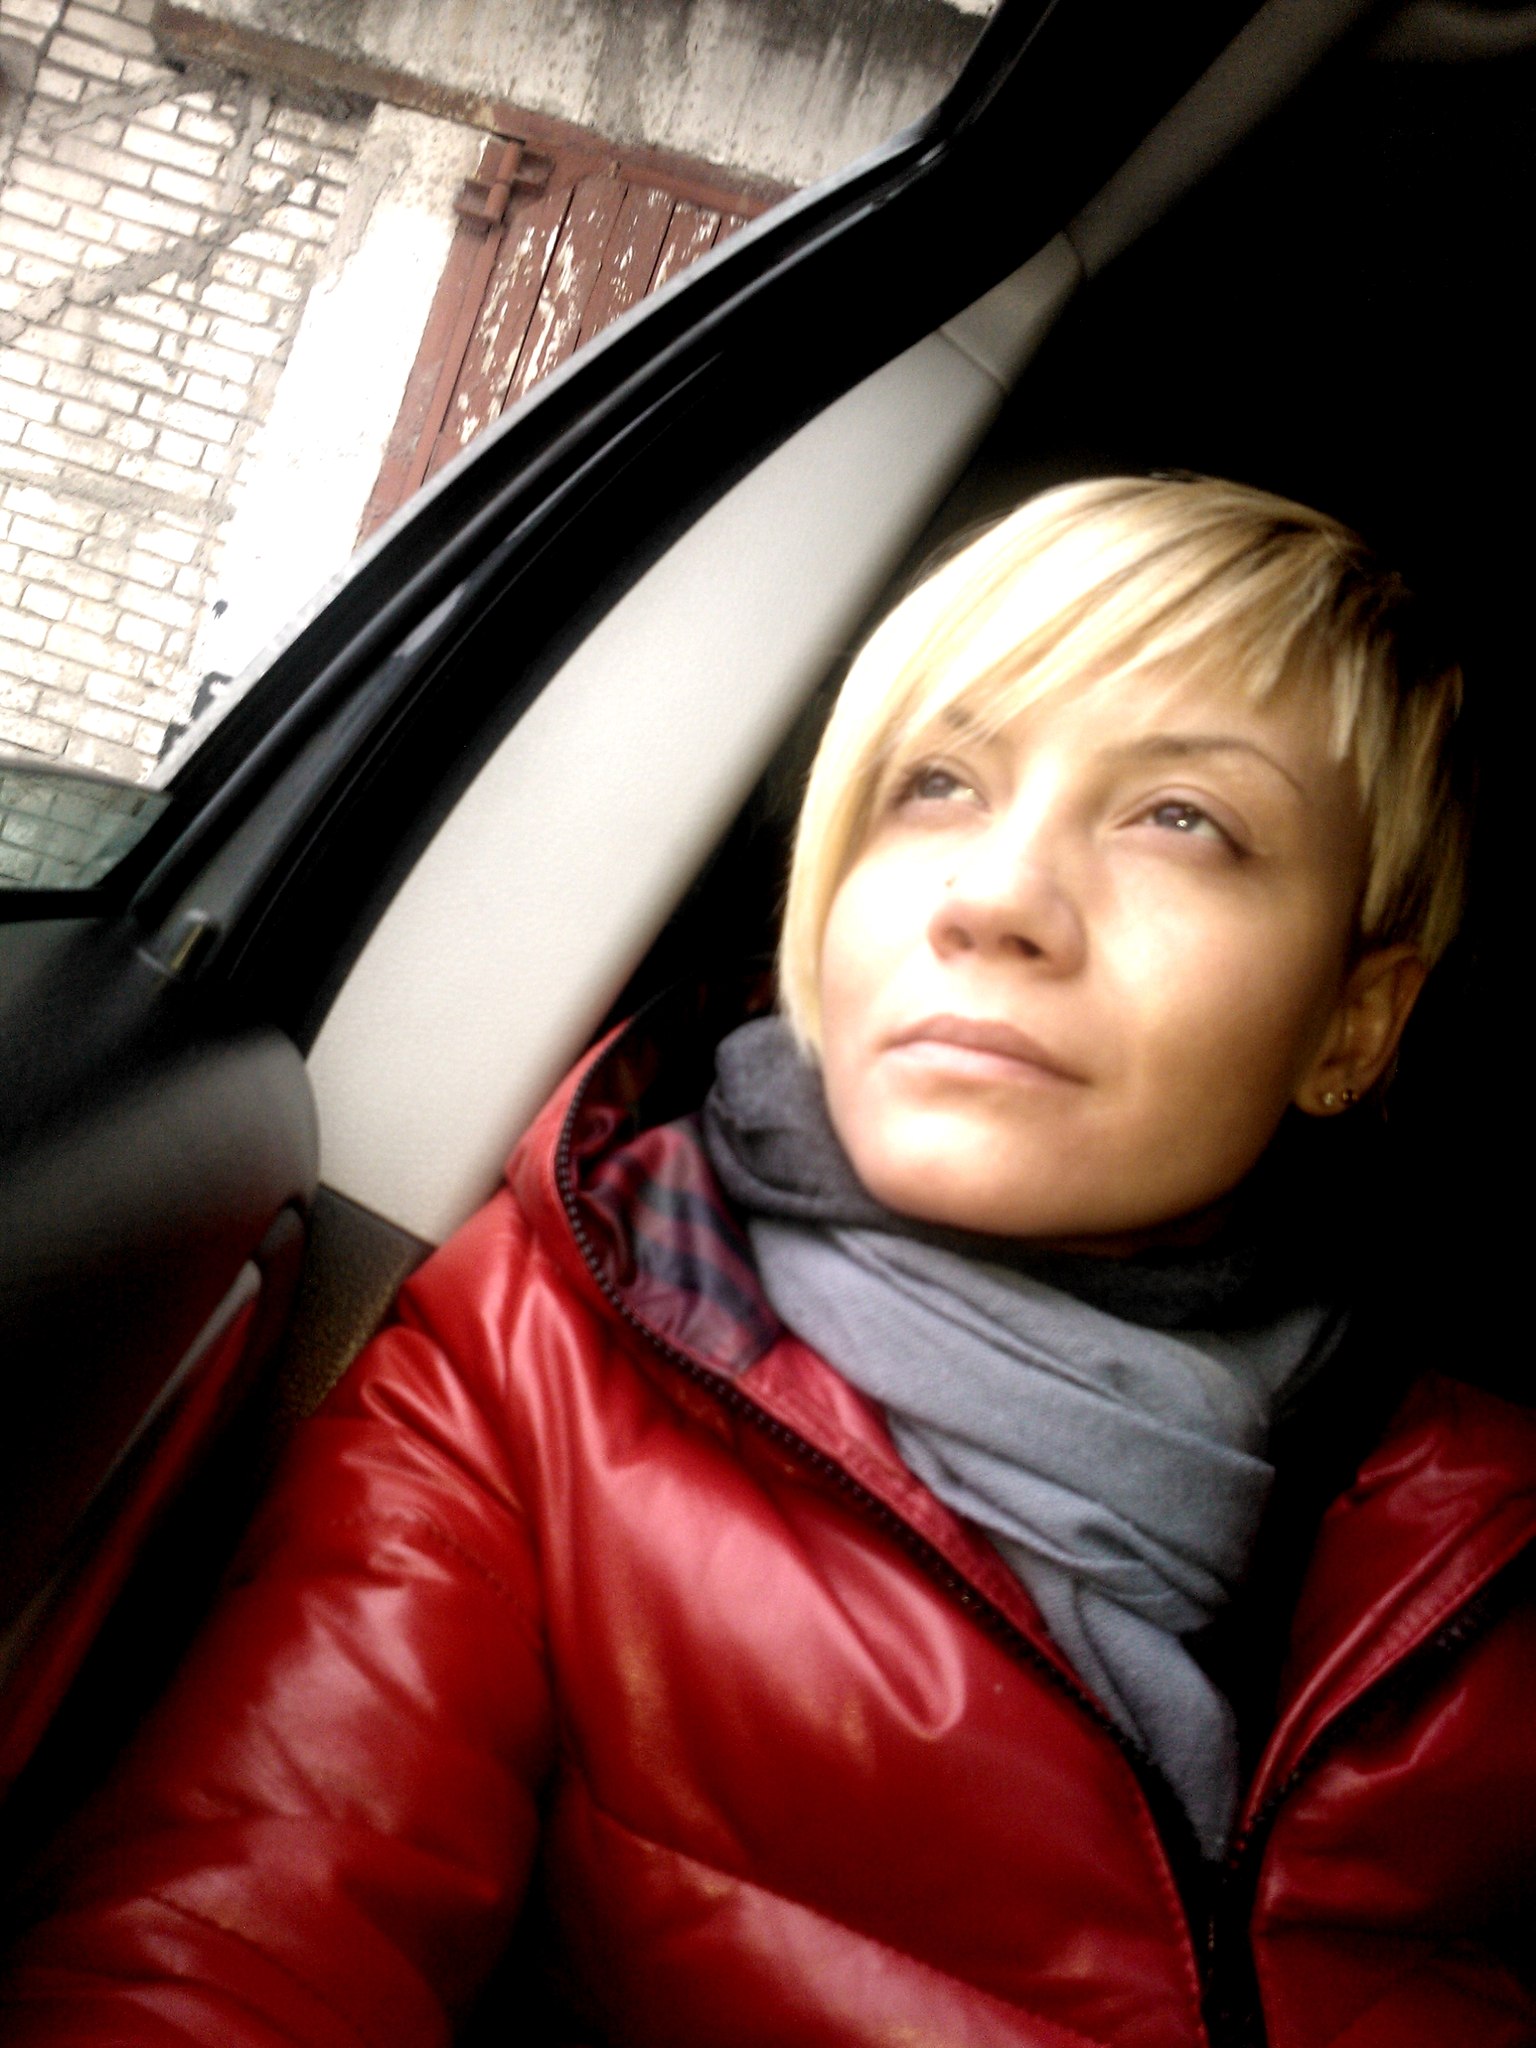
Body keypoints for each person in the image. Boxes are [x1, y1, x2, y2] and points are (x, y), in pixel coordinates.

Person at [3, 475, 1529, 2048]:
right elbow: (232, 1941)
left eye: (1182, 819)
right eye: (935, 783)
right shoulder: (541, 1368)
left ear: (1355, 1025)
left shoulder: (1485, 1547)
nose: (997, 898)